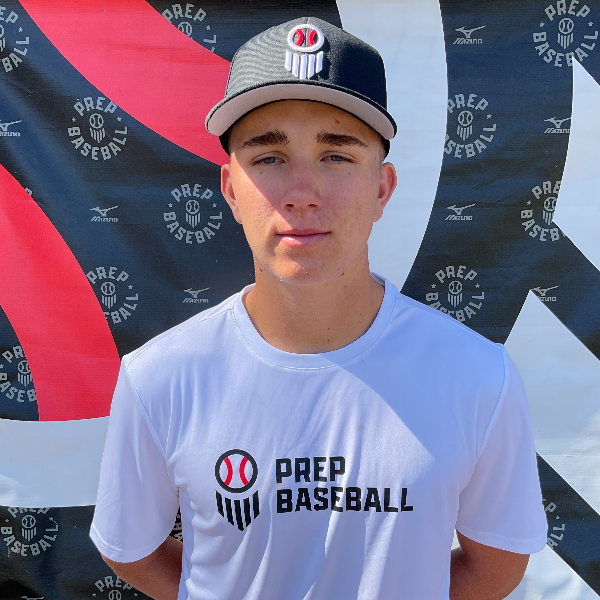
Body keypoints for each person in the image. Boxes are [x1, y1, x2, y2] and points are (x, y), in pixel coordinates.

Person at [89, 16, 548, 600]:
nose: (302, 193)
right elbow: (130, 549)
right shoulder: (160, 376)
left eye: (335, 156)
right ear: (230, 190)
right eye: (269, 157)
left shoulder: (478, 376)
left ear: (382, 188)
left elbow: (497, 568)